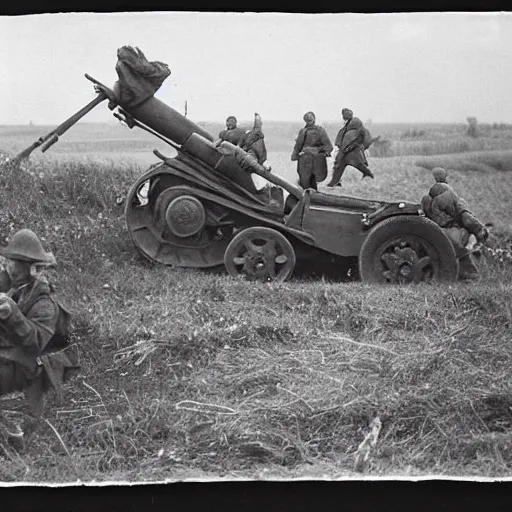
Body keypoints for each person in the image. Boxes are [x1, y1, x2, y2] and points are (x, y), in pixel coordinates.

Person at [0, 229, 79, 442]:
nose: (10, 266)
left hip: (27, 367)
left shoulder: (45, 304)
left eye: (16, 262)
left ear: (32, 269)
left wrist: (12, 314)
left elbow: (34, 342)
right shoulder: (14, 287)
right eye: (9, 261)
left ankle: (11, 432)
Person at [421, 168, 489, 281]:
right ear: (446, 177)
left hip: (433, 233)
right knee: (464, 245)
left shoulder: (426, 199)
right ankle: (470, 276)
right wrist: (480, 230)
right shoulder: (450, 194)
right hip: (451, 233)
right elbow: (466, 218)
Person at [326, 108, 374, 187]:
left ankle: (334, 183)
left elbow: (341, 140)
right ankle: (334, 183)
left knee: (341, 165)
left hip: (351, 151)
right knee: (344, 165)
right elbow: (367, 139)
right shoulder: (357, 127)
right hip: (351, 152)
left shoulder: (348, 128)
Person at [291, 111, 333, 191]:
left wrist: (314, 151)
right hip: (311, 161)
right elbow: (329, 147)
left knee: (307, 182)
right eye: (308, 120)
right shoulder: (310, 131)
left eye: (310, 120)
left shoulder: (309, 131)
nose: (310, 121)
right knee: (308, 182)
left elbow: (328, 146)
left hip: (311, 161)